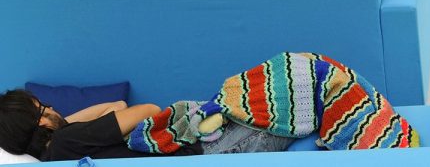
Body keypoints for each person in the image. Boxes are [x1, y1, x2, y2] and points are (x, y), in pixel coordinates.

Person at [0, 89, 295, 161]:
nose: (52, 108)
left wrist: (58, 124)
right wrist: (62, 126)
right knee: (290, 104)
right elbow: (148, 110)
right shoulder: (68, 142)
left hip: (203, 143)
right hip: (208, 150)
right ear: (39, 121)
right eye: (43, 107)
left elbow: (115, 107)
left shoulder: (58, 153)